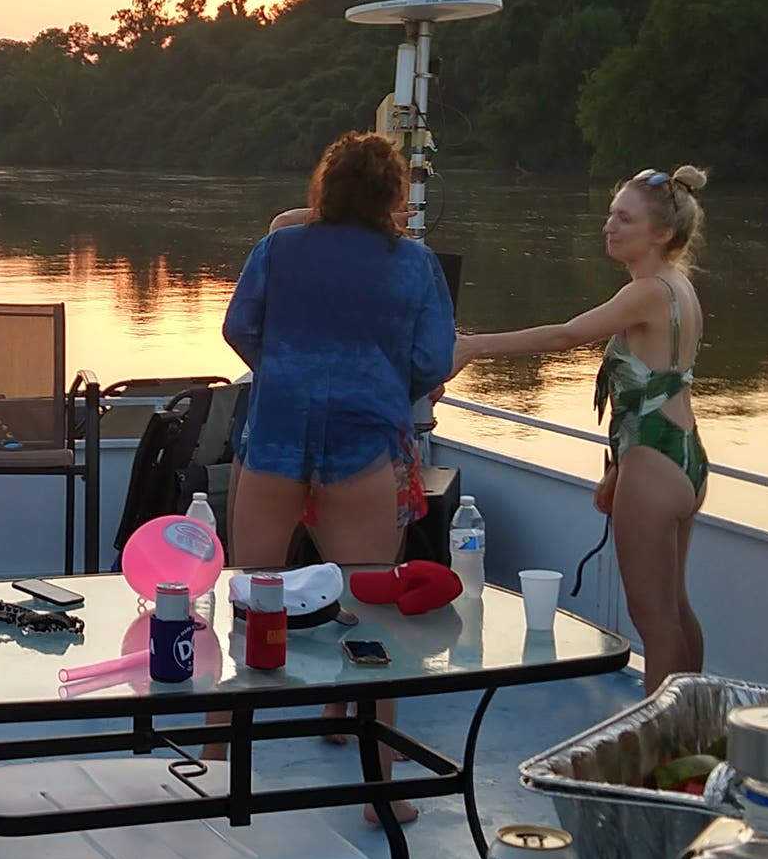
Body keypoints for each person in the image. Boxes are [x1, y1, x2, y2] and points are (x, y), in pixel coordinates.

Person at [217, 132, 455, 819]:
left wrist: (284, 370)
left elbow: (239, 327)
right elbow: (433, 358)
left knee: (249, 598)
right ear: (393, 196)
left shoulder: (279, 249)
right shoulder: (414, 264)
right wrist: (385, 383)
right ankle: (379, 790)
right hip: (362, 440)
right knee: (372, 610)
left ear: (324, 187)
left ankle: (212, 764)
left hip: (278, 433)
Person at [455, 166, 711, 691]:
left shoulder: (645, 292)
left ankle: (658, 752)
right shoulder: (679, 288)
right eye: (610, 215)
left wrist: (475, 346)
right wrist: (618, 473)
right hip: (683, 455)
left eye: (625, 218)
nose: (609, 226)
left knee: (654, 621)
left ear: (662, 234)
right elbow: (654, 392)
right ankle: (695, 725)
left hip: (654, 465)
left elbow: (566, 336)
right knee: (676, 606)